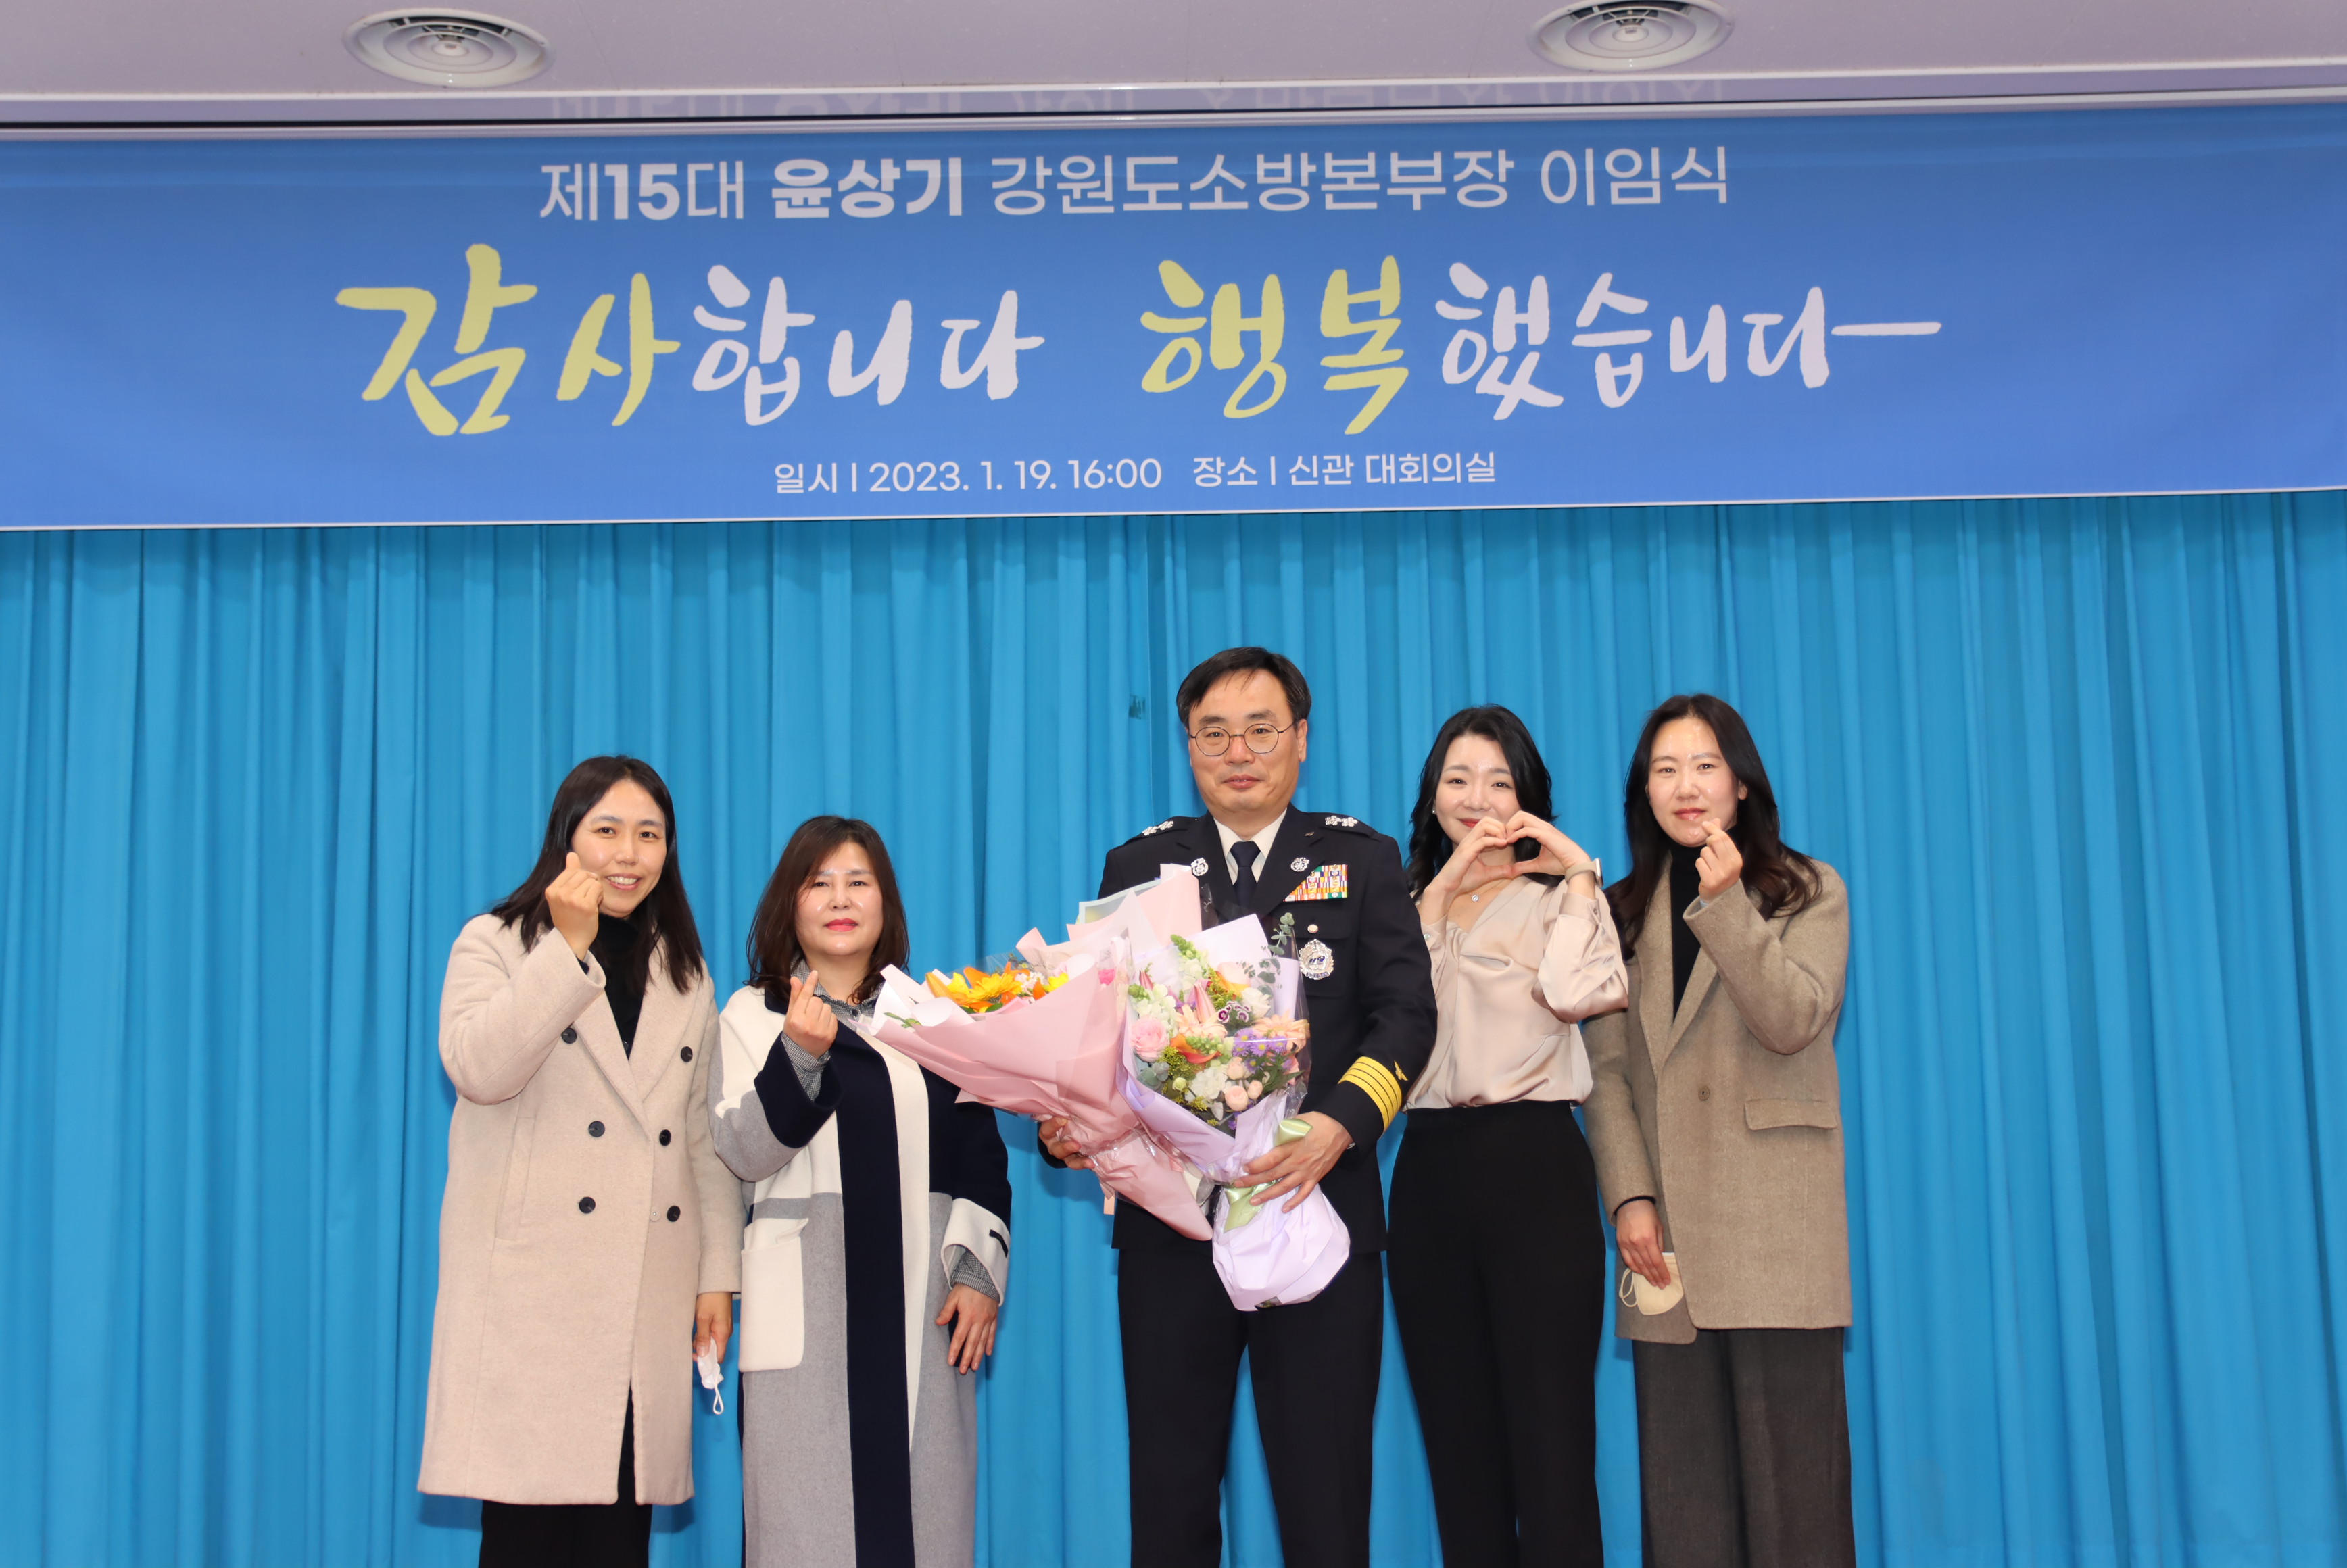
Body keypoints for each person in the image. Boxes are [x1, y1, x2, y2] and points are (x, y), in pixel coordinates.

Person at [1040, 646, 1437, 1568]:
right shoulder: (1141, 864)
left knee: (1325, 1502)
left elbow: (1406, 1016)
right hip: (1173, 1227)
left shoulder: (1361, 859)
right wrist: (1068, 1129)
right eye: (1214, 734)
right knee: (1170, 1500)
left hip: (1315, 1210)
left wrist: (1339, 1125)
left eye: (1260, 730)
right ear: (1189, 748)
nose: (1238, 752)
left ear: (1301, 740)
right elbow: (1095, 1026)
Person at [420, 756, 741, 1568]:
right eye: (607, 830)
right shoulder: (495, 941)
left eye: (649, 835)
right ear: (567, 838)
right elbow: (478, 1068)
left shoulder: (685, 972)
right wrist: (566, 949)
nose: (629, 854)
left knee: (617, 1540)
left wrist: (716, 1274)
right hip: (534, 1298)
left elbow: (697, 1138)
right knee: (525, 1540)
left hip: (643, 1294)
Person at [1580, 695, 1856, 1568]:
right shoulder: (1620, 911)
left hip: (1778, 1232)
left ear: (1741, 783)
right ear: (1644, 792)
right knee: (1685, 1506)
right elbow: (1606, 1071)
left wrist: (1729, 903)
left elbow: (1792, 1019)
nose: (1685, 786)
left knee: (1798, 1507)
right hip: (1666, 1242)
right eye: (1664, 770)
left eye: (1704, 766)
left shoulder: (1808, 891)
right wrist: (1629, 1196)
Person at [710, 816, 1011, 1568]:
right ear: (789, 902)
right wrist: (799, 1055)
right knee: (804, 1531)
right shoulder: (751, 1016)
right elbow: (742, 1152)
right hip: (809, 1314)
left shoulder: (932, 1019)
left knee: (923, 1527)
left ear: (886, 902)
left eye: (858, 882)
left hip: (920, 1304)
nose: (840, 899)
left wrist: (978, 1275)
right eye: (818, 883)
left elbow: (980, 1160)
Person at [1388, 705, 1626, 1568]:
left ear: (1526, 797)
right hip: (1426, 1175)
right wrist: (1440, 892)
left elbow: (1575, 993)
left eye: (1498, 781)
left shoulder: (1560, 902)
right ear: (1431, 797)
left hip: (1535, 1167)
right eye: (1457, 779)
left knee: (1550, 1446)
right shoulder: (1402, 910)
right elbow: (1388, 1028)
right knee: (1460, 1452)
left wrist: (1578, 873)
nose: (1477, 798)